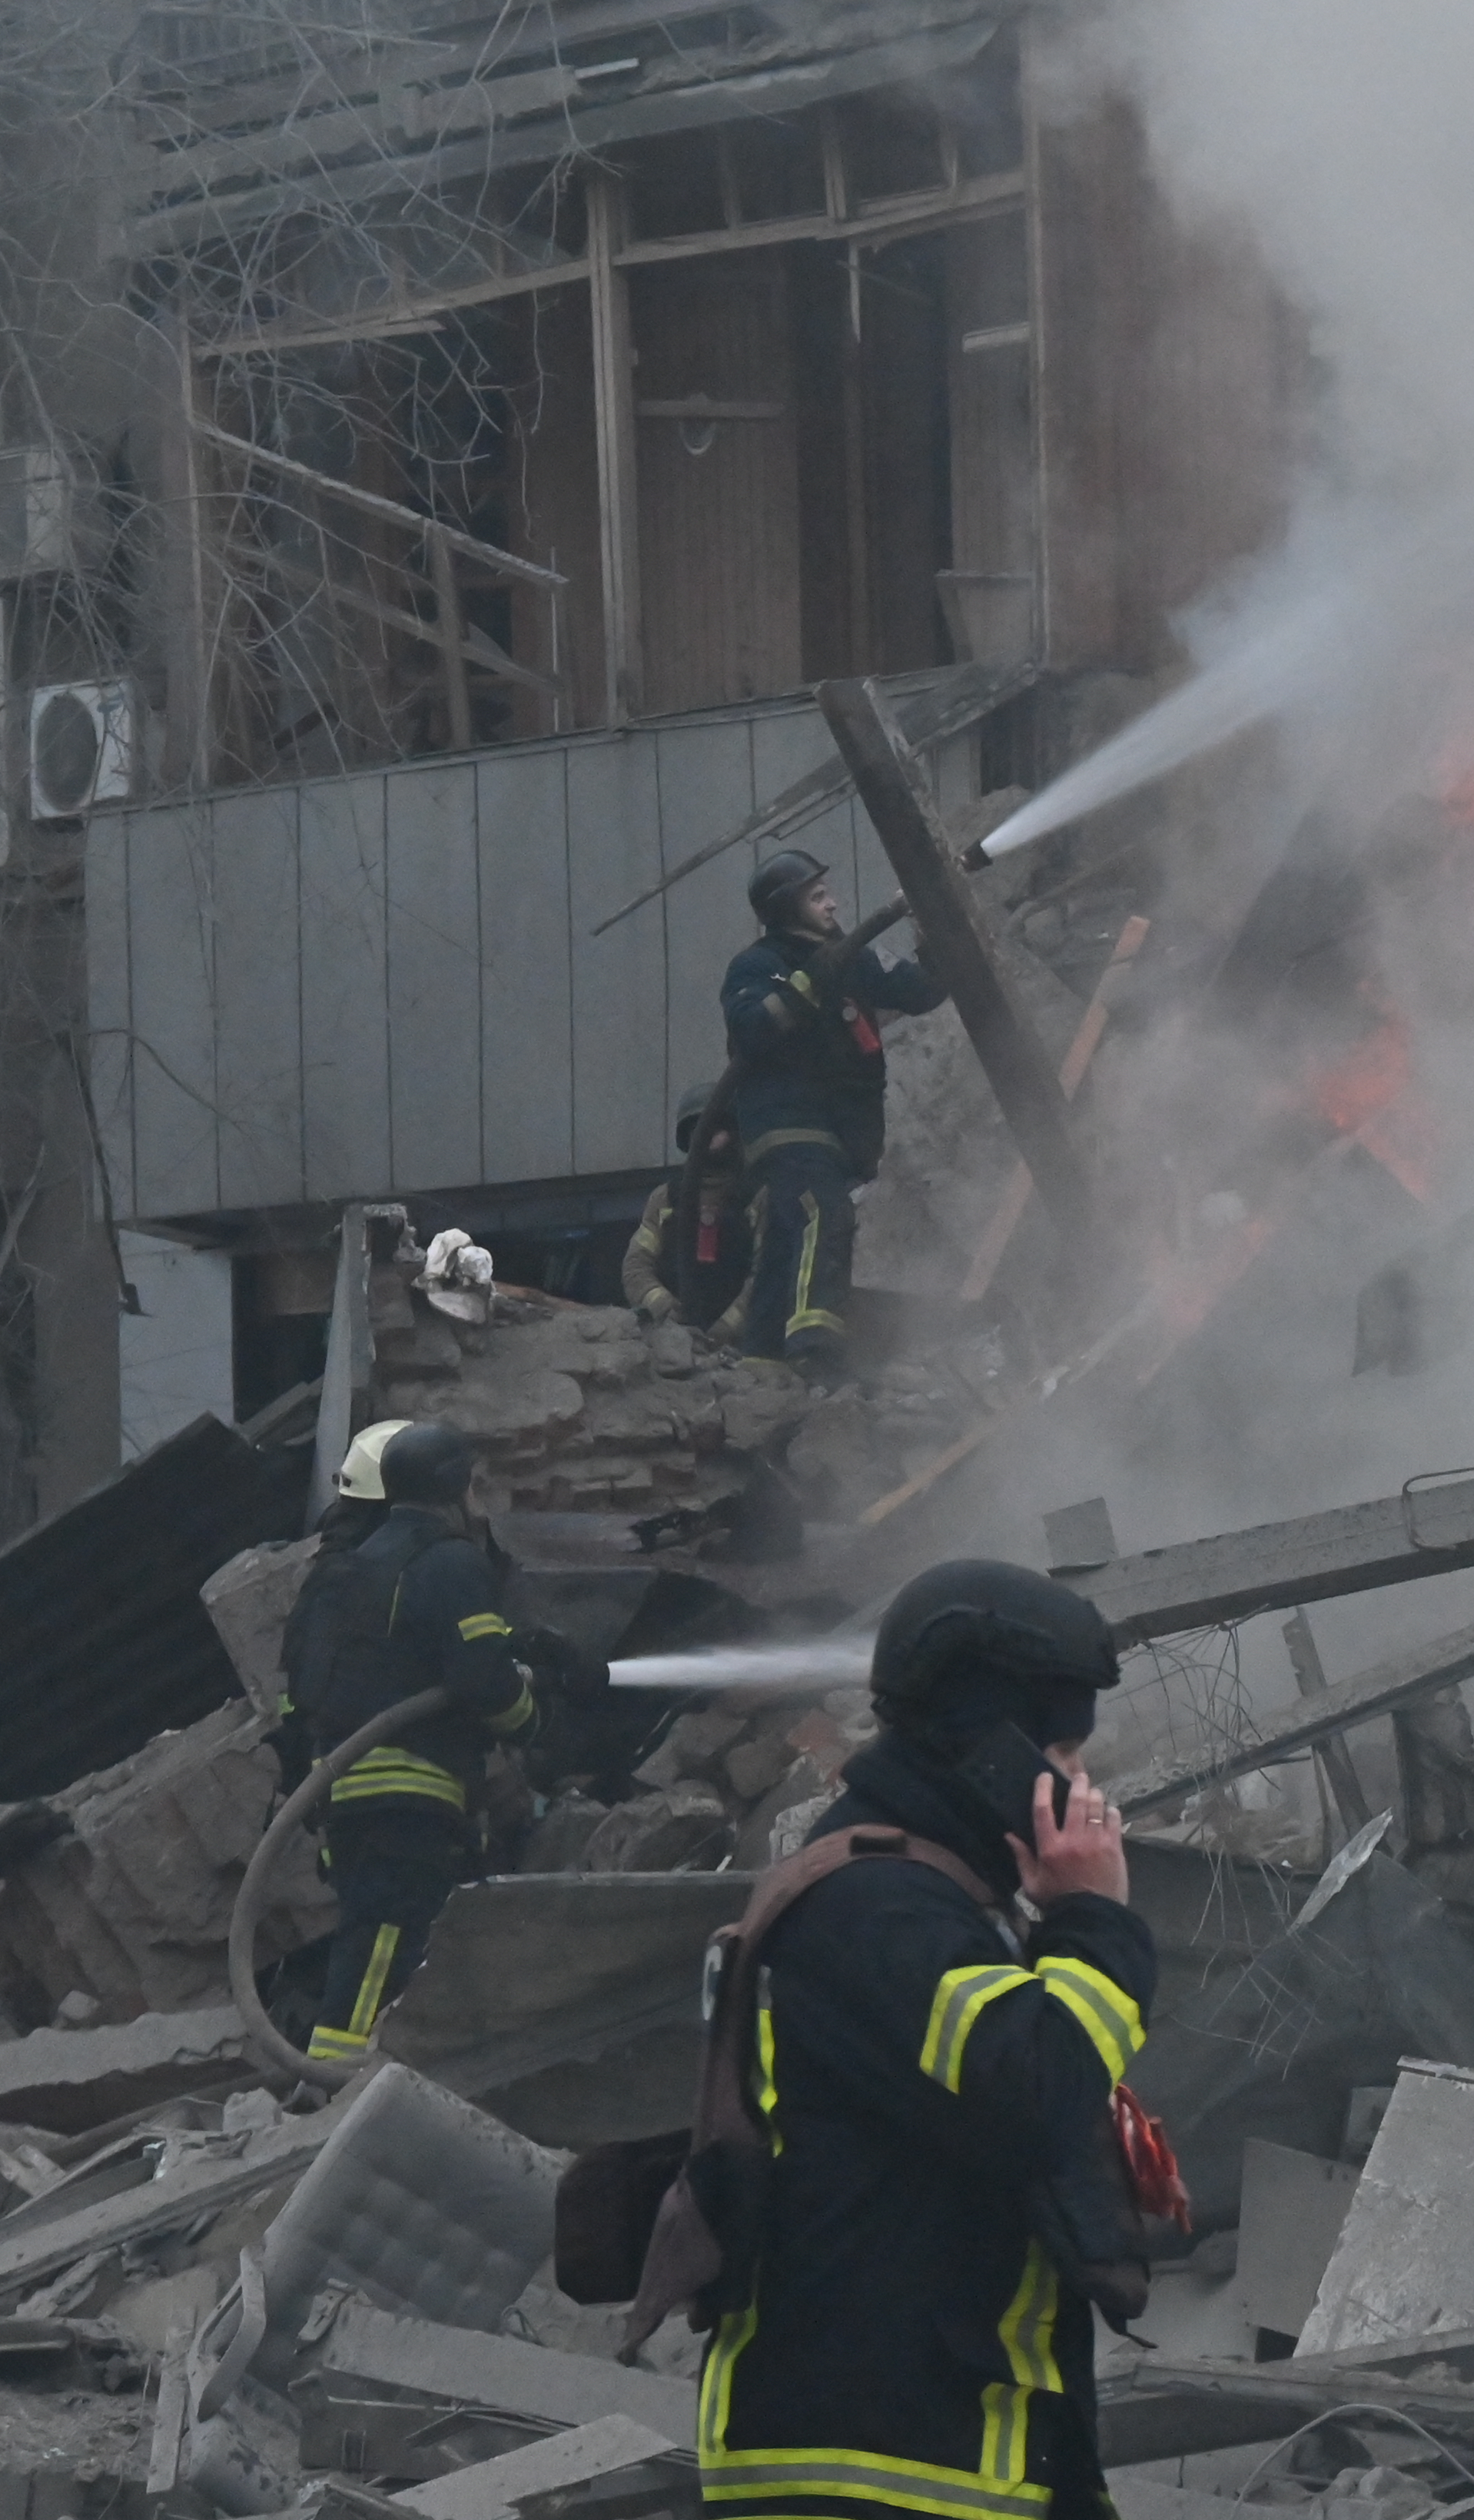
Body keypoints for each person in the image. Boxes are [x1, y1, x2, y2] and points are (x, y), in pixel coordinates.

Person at [696, 1559, 1155, 2520]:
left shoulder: (934, 1899)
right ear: (991, 1749)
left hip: (946, 2449)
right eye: (1063, 1751)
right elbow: (1031, 2089)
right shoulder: (878, 1907)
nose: (1081, 1784)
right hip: (878, 2466)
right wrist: (1096, 1920)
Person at [272, 1418, 537, 2061]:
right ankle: (328, 2087)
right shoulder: (448, 1561)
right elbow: (482, 1682)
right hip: (408, 1788)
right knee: (381, 1944)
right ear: (455, 1487)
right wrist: (533, 1716)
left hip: (346, 1790)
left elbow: (299, 1694)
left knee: (397, 1943)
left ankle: (387, 2078)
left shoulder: (348, 1571)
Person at [717, 849, 943, 1376]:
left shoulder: (855, 960)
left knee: (784, 1240)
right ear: (786, 909)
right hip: (787, 1124)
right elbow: (750, 1029)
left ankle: (762, 1357)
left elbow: (925, 991)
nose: (834, 904)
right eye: (817, 897)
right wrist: (808, 983)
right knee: (826, 1211)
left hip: (839, 1132)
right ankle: (815, 1349)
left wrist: (929, 929)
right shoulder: (757, 965)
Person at [623, 1079, 755, 1336]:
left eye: (714, 1128)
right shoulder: (667, 1198)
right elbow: (636, 1267)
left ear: (735, 1132)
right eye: (698, 1128)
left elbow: (767, 1275)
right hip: (674, 1338)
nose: (705, 1136)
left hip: (739, 1344)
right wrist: (664, 1306)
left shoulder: (755, 1197)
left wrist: (726, 1328)